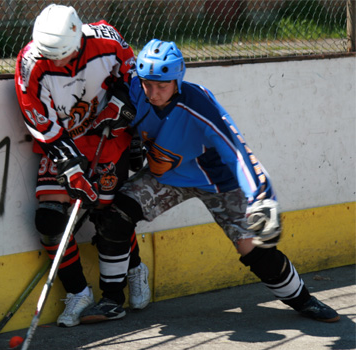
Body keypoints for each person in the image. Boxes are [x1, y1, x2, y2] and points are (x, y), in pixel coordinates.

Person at [80, 39, 340, 323]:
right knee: (114, 216)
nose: (153, 93)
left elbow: (238, 154)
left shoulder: (200, 105)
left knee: (255, 249)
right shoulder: (135, 91)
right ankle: (111, 301)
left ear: (178, 80)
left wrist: (261, 197)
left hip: (218, 182)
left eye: (162, 85)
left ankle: (304, 301)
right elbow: (118, 76)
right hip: (167, 177)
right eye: (148, 84)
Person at [14, 4, 150, 327]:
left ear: (77, 40)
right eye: (51, 55)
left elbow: (135, 78)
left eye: (63, 55)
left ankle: (135, 267)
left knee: (107, 216)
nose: (56, 63)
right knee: (49, 222)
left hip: (106, 133)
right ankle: (78, 293)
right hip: (63, 140)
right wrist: (71, 169)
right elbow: (40, 122)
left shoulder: (107, 40)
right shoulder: (31, 63)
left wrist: (123, 106)